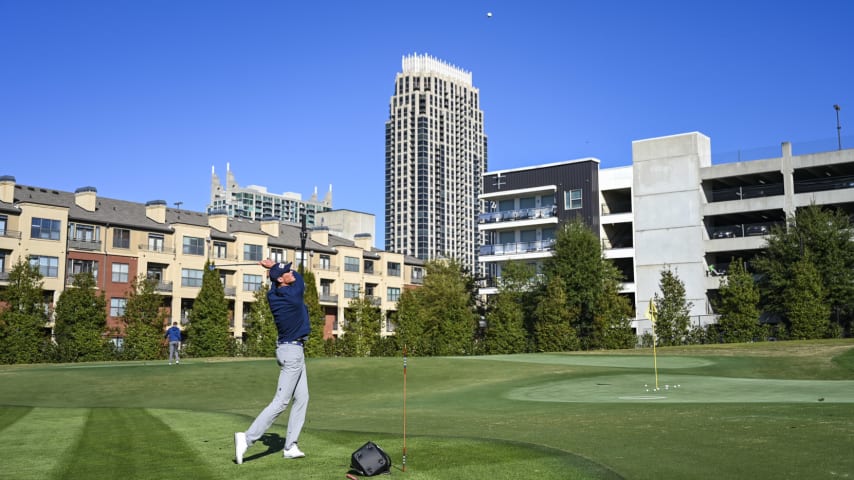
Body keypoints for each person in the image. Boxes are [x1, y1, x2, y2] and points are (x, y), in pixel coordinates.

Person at [235, 260, 311, 464]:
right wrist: (273, 268)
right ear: (281, 280)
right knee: (281, 402)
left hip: (292, 349)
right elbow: (301, 281)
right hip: (292, 352)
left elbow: (280, 281)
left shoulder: (273, 294)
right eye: (288, 272)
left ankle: (291, 446)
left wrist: (272, 268)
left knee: (302, 398)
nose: (292, 272)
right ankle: (247, 438)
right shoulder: (292, 296)